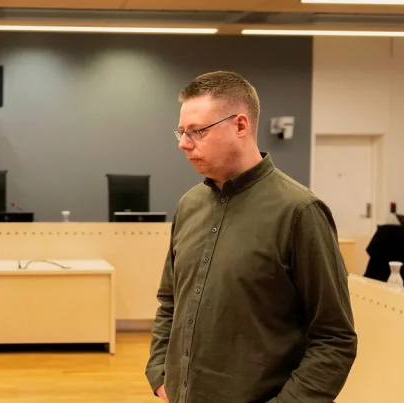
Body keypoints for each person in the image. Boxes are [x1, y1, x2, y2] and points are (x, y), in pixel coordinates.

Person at [145, 71, 357, 403]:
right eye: (181, 132)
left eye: (197, 131)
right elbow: (170, 302)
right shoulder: (189, 205)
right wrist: (160, 373)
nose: (183, 143)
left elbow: (334, 339)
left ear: (241, 126)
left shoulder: (300, 212)